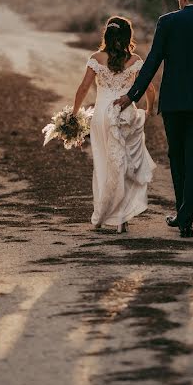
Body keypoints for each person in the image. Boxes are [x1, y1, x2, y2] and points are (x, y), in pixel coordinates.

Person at [114, 0, 193, 238]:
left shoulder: (167, 22)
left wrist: (131, 96)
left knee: (177, 157)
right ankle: (185, 217)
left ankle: (183, 215)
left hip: (174, 103)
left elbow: (153, 61)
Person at [73, 16, 157, 233]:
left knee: (103, 164)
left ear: (107, 35)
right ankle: (121, 218)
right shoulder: (136, 60)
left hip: (101, 115)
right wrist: (148, 110)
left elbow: (83, 88)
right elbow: (149, 89)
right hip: (125, 114)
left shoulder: (96, 58)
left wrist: (74, 113)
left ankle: (101, 214)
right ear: (128, 36)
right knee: (124, 166)